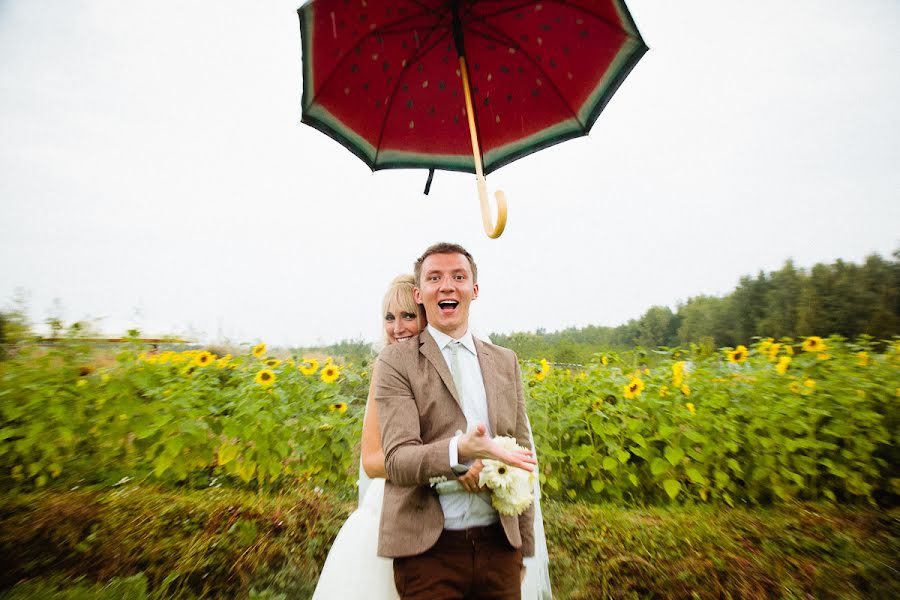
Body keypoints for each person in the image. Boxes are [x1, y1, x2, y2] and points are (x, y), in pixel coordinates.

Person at [313, 269, 552, 599]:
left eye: (409, 316)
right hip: (408, 517)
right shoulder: (390, 370)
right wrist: (453, 467)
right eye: (389, 317)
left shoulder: (471, 366)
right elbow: (372, 460)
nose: (398, 328)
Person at [374, 243, 543, 600]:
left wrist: (522, 551)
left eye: (459, 277)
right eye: (434, 278)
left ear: (474, 290)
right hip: (429, 554)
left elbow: (524, 458)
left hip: (500, 549)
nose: (447, 286)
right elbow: (397, 460)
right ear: (419, 294)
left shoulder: (505, 361)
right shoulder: (395, 363)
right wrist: (458, 452)